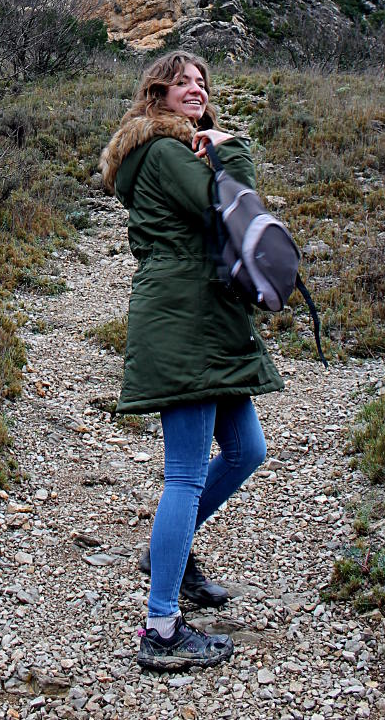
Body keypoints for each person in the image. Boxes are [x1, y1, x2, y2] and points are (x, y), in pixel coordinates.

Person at [99, 50, 284, 672]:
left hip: (207, 319)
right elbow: (223, 203)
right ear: (158, 92)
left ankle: (168, 555)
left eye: (202, 82)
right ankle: (161, 628)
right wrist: (231, 149)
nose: (196, 90)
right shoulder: (162, 152)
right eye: (183, 82)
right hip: (183, 322)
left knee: (246, 450)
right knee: (183, 473)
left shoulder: (175, 149)